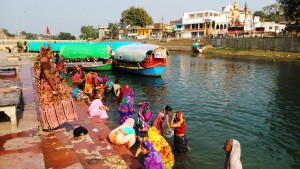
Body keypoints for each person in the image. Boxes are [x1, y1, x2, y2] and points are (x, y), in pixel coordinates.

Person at [33, 45, 78, 131]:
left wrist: (61, 82)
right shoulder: (44, 63)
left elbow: (53, 73)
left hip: (51, 86)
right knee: (49, 106)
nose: (52, 55)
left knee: (54, 104)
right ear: (45, 54)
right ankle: (49, 125)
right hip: (48, 88)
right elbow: (48, 76)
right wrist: (54, 89)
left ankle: (52, 124)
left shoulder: (47, 62)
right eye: (50, 53)